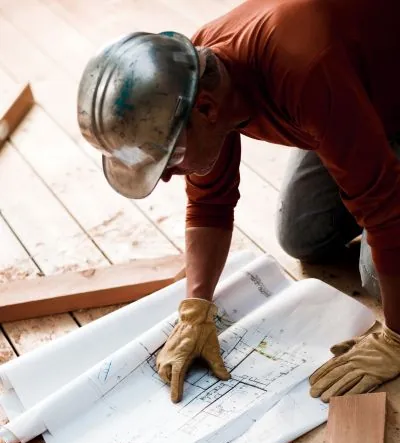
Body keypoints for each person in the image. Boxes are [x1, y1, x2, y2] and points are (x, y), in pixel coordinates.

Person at [77, 0, 400, 404]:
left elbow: (385, 215)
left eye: (169, 160)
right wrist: (196, 308)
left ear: (207, 110)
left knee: (375, 275)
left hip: (374, 96)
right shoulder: (195, 77)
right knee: (304, 236)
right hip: (349, 91)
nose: (164, 176)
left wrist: (397, 338)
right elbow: (210, 203)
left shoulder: (304, 69)